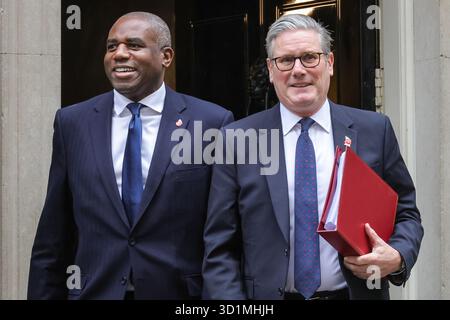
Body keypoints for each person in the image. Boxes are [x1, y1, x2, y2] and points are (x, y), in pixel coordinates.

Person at [202, 14, 423, 300]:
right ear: (271, 70)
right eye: (285, 60)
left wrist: (398, 256)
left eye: (309, 57)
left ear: (329, 63)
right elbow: (220, 245)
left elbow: (406, 213)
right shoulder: (236, 140)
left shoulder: (374, 130)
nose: (298, 70)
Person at [27, 11, 233, 300]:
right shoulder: (72, 123)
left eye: (133, 45)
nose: (119, 54)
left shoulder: (211, 122)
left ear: (166, 56)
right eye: (112, 46)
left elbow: (223, 235)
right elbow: (53, 236)